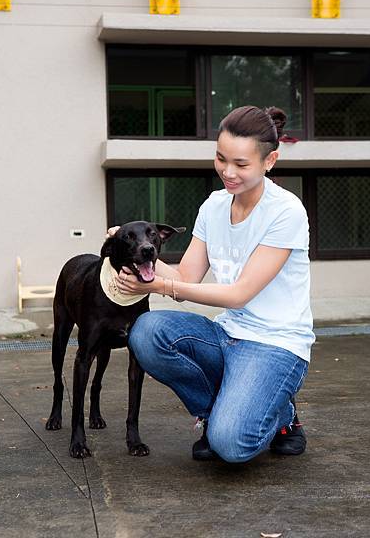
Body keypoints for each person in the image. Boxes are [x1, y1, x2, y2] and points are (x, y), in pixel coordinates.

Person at [109, 105, 315, 464]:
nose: (227, 172)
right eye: (221, 158)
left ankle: (283, 414)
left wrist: (157, 287)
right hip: (227, 335)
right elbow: (186, 277)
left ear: (270, 162)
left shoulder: (286, 211)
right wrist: (135, 253)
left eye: (241, 164)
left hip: (276, 345)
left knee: (231, 446)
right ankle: (219, 410)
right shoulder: (214, 206)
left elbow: (239, 294)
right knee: (146, 332)